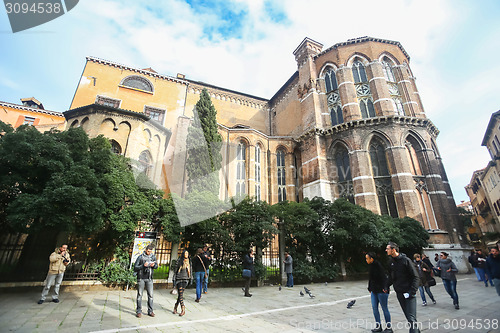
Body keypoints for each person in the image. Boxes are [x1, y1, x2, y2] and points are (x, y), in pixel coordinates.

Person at [386, 242, 420, 333]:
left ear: (393, 250)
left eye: (387, 248)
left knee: (411, 318)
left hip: (409, 292)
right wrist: (386, 286)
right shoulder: (391, 262)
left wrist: (412, 291)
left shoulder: (406, 260)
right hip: (399, 293)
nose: (386, 250)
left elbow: (415, 277)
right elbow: (391, 276)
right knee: (409, 318)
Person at [366, 252, 392, 333]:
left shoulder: (378, 266)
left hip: (381, 290)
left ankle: (388, 327)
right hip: (374, 290)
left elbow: (384, 277)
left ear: (372, 259)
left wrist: (385, 287)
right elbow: (371, 278)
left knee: (384, 308)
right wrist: (370, 287)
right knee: (374, 307)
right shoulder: (371, 266)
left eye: (367, 258)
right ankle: (378, 326)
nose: (366, 260)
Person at [134, 244, 158, 318]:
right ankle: (138, 311)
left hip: (149, 278)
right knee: (139, 295)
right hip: (141, 278)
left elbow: (156, 266)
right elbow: (135, 267)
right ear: (145, 250)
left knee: (150, 295)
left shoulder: (153, 257)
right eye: (148, 251)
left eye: (150, 251)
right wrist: (143, 266)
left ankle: (150, 311)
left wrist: (153, 265)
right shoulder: (140, 257)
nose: (149, 253)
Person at [173, 249, 191, 316]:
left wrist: (190, 277)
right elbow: (176, 270)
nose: (186, 255)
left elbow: (190, 270)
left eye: (187, 253)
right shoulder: (179, 261)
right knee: (181, 295)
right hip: (179, 279)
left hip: (185, 279)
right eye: (185, 253)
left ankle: (175, 307)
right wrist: (174, 279)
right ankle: (183, 309)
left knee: (180, 295)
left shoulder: (189, 261)